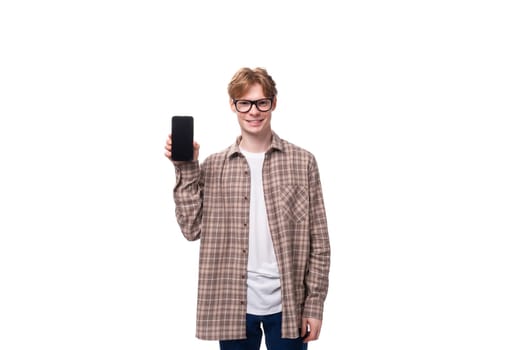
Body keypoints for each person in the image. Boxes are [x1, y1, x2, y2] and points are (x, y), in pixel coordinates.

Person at [164, 67, 331, 350]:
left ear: (273, 103)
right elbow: (191, 228)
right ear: (233, 105)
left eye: (261, 102)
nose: (254, 111)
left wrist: (314, 305)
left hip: (288, 304)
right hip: (232, 303)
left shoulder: (303, 162)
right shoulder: (214, 166)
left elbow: (320, 243)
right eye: (245, 103)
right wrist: (186, 168)